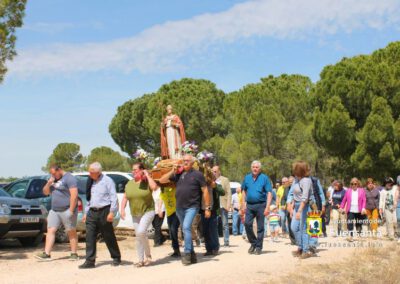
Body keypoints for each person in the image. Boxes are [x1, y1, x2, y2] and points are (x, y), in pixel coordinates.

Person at [160, 154, 211, 265]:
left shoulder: (198, 175)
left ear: (192, 162)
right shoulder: (178, 174)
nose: (185, 162)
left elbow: (205, 191)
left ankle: (187, 254)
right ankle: (192, 255)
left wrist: (207, 207)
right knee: (185, 230)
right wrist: (172, 171)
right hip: (179, 207)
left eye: (187, 160)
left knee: (186, 228)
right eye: (183, 161)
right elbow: (162, 180)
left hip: (192, 207)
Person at [79, 162, 121, 269]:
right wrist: (86, 213)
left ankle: (116, 257)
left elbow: (113, 197)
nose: (89, 174)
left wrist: (112, 212)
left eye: (91, 172)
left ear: (98, 172)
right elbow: (89, 199)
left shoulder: (107, 181)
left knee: (108, 235)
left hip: (104, 211)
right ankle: (90, 261)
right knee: (89, 236)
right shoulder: (90, 181)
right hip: (92, 212)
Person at [36, 164, 79, 261]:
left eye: (54, 173)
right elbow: (45, 192)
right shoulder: (53, 180)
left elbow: (74, 195)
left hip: (67, 209)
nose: (53, 176)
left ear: (59, 170)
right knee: (51, 230)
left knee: (71, 231)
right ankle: (47, 254)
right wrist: (48, 183)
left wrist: (71, 210)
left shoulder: (69, 178)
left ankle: (74, 253)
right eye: (51, 174)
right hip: (54, 210)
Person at [120, 162, 159, 267]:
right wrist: (122, 209)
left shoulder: (147, 182)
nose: (133, 172)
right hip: (135, 213)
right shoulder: (129, 183)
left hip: (148, 211)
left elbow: (154, 187)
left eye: (135, 170)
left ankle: (148, 255)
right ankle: (141, 260)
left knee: (141, 232)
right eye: (132, 170)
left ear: (142, 170)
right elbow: (125, 197)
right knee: (139, 236)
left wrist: (147, 175)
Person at [240, 160, 272, 255]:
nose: (255, 169)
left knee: (260, 227)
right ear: (251, 168)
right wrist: (243, 204)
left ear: (260, 168)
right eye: (253, 167)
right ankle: (253, 243)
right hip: (249, 205)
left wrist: (267, 207)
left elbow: (269, 193)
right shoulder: (247, 178)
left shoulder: (264, 178)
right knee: (247, 224)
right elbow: (244, 191)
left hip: (261, 205)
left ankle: (258, 247)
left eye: (257, 167)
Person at [290, 161, 313, 259]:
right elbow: (294, 193)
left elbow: (305, 198)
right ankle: (301, 247)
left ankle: (305, 250)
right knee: (294, 227)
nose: (293, 170)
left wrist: (299, 211)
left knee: (304, 229)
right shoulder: (296, 179)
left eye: (295, 169)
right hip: (296, 205)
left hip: (304, 206)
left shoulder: (306, 181)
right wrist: (292, 206)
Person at [340, 177, 366, 242]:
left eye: (355, 183)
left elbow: (364, 200)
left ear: (358, 184)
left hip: (359, 210)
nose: (353, 185)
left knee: (359, 223)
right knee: (350, 223)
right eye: (352, 184)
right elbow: (344, 200)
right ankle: (350, 236)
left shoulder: (361, 190)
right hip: (350, 209)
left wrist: (363, 208)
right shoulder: (348, 191)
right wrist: (341, 207)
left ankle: (359, 234)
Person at [212, 165, 231, 247]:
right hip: (214, 206)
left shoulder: (225, 180)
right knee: (214, 224)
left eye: (215, 171)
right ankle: (216, 242)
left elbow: (229, 193)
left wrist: (228, 205)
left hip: (223, 205)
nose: (214, 173)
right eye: (213, 171)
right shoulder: (211, 180)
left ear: (219, 171)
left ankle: (226, 241)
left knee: (225, 224)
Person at [160, 186, 181, 257]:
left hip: (176, 212)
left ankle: (177, 249)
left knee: (173, 229)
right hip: (169, 214)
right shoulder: (163, 191)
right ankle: (176, 250)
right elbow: (161, 200)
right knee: (171, 232)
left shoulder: (174, 188)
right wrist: (160, 209)